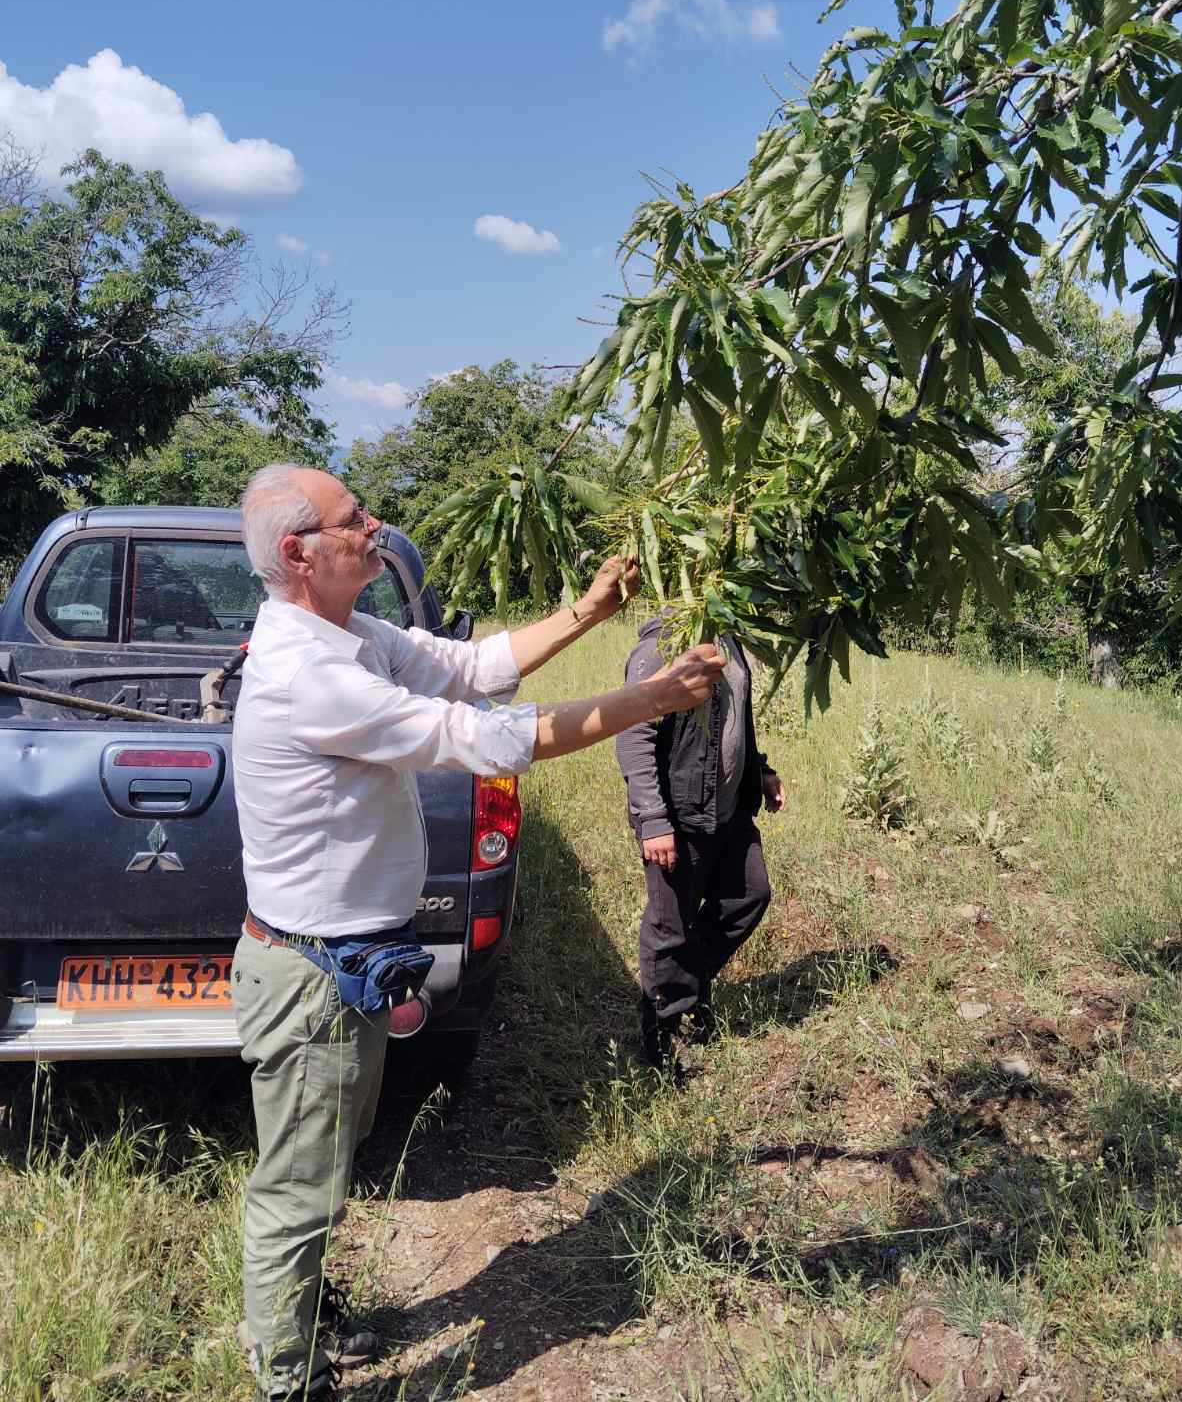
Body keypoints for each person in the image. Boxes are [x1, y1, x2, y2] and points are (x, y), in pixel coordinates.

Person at [231, 464, 724, 1402]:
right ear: (299, 553)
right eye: (353, 519)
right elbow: (489, 735)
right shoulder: (309, 676)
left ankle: (307, 1319)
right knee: (297, 1189)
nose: (374, 526)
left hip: (346, 968)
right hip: (310, 981)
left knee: (327, 1160)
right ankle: (290, 1380)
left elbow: (471, 668)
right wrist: (649, 700)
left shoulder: (351, 634)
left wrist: (586, 610)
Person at [616, 618, 785, 1071]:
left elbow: (737, 714)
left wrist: (761, 769)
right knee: (670, 926)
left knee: (749, 894)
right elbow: (633, 736)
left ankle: (687, 988)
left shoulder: (726, 636)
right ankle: (661, 1037)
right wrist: (653, 821)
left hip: (728, 809)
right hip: (679, 814)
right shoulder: (660, 648)